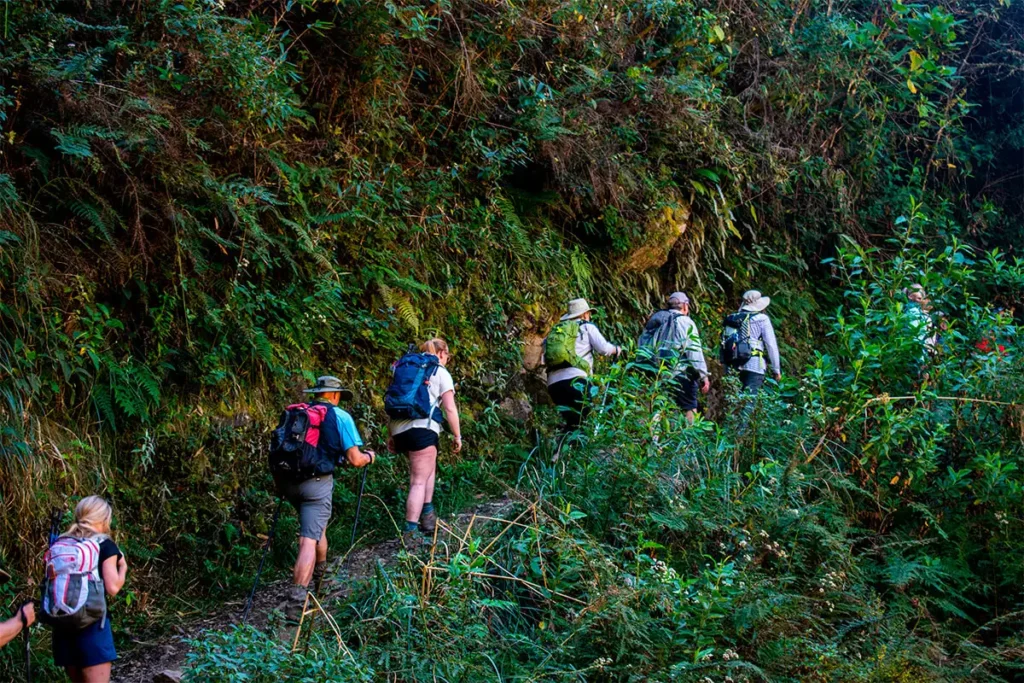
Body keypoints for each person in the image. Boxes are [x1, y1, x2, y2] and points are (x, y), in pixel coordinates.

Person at [277, 376, 375, 618]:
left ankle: (323, 581)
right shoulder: (339, 416)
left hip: (287, 482)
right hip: (317, 484)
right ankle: (296, 602)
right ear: (334, 395)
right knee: (308, 540)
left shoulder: (298, 414)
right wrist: (370, 457)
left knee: (316, 528)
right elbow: (354, 459)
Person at [387, 339, 462, 541]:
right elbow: (450, 408)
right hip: (422, 427)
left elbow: (394, 399)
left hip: (398, 428)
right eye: (447, 355)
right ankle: (410, 532)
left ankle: (428, 517)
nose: (447, 359)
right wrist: (457, 435)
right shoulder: (439, 371)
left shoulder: (405, 367)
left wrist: (391, 435)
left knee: (428, 468)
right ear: (440, 353)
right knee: (418, 481)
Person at [51, 496, 127, 683]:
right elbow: (112, 588)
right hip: (92, 625)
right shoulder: (105, 545)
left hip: (62, 624)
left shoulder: (62, 543)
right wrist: (123, 567)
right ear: (103, 520)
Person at [544, 298, 622, 430]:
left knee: (572, 423)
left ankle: (561, 450)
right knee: (583, 423)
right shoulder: (587, 327)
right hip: (577, 382)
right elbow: (604, 349)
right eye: (589, 313)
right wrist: (617, 349)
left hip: (554, 385)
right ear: (585, 314)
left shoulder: (557, 332)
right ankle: (576, 449)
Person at [638, 291, 710, 424]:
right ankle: (690, 440)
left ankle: (653, 441)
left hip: (659, 372)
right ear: (684, 306)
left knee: (658, 406)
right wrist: (703, 376)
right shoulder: (686, 322)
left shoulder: (659, 318)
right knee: (689, 407)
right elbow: (694, 351)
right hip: (681, 372)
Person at [734, 290, 781, 394]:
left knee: (735, 402)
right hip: (754, 365)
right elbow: (771, 345)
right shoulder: (762, 319)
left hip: (734, 364)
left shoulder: (733, 318)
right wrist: (776, 369)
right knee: (750, 401)